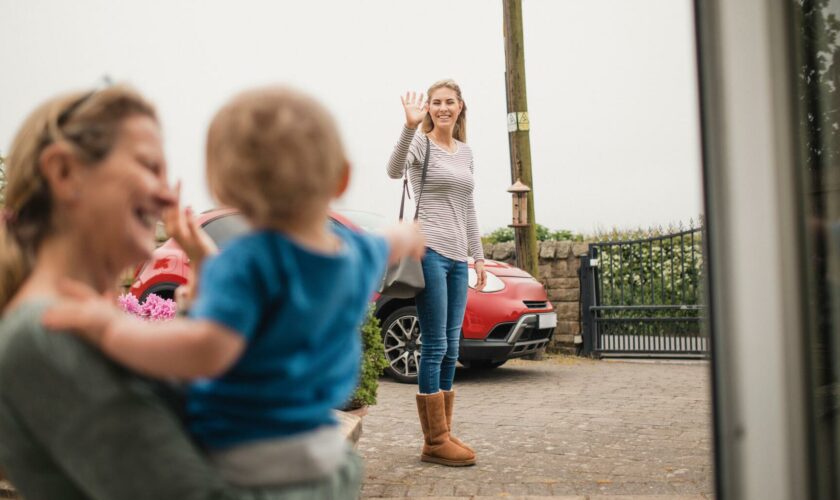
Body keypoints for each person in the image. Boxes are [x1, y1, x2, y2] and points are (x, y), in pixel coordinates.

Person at [0, 83, 398, 499]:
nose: (165, 193)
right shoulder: (44, 335)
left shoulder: (70, 323)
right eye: (148, 166)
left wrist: (209, 279)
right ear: (64, 173)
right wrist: (341, 469)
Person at [386, 79, 486, 467]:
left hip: (459, 258)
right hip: (429, 251)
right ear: (428, 107)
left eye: (450, 102)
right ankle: (435, 440)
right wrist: (410, 125)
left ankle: (442, 432)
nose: (443, 108)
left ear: (461, 107)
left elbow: (469, 206)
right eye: (436, 102)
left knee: (452, 347)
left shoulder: (465, 152)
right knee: (435, 346)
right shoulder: (420, 143)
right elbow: (394, 171)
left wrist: (477, 256)